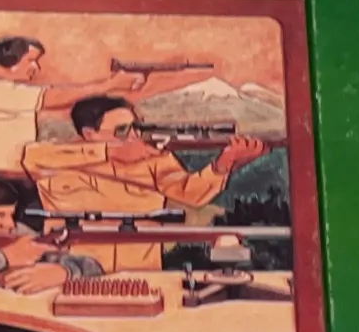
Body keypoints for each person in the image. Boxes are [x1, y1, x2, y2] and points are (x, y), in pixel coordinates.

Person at [23, 97, 268, 272]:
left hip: (141, 271)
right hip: (70, 271)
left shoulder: (151, 159)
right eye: (121, 131)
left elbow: (191, 193)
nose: (133, 137)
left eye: (135, 128)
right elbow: (30, 157)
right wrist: (109, 152)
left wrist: (224, 164)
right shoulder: (58, 158)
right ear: (89, 134)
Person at [0, 37, 144, 174]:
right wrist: (108, 85)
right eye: (31, 60)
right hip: (5, 179)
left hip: (16, 175)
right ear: (9, 60)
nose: (36, 68)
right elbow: (52, 98)